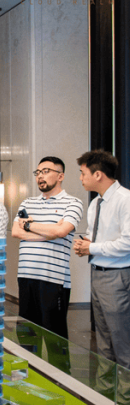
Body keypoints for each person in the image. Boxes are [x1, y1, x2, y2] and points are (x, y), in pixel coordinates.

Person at [12, 156, 83, 339]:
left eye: (46, 171)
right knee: (27, 336)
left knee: (55, 338)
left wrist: (29, 225)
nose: (40, 176)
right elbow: (15, 231)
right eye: (37, 172)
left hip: (54, 279)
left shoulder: (73, 203)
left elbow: (62, 230)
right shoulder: (27, 203)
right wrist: (49, 233)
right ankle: (28, 360)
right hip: (26, 275)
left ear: (60, 176)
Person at [73, 150, 130, 370]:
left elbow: (127, 243)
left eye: (83, 173)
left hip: (117, 277)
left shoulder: (125, 200)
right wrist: (85, 245)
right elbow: (94, 235)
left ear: (98, 174)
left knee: (121, 340)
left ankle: (125, 390)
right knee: (103, 340)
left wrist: (92, 247)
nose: (80, 178)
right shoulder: (96, 203)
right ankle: (105, 389)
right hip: (97, 274)